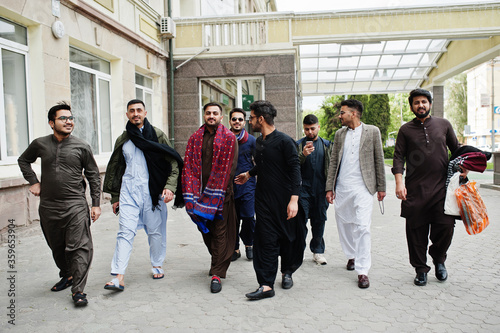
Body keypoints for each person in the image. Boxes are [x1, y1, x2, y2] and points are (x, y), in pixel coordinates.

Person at [18, 102, 101, 307]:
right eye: (63, 118)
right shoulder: (40, 144)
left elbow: (93, 176)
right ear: (51, 122)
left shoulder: (81, 146)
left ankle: (79, 290)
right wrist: (34, 182)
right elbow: (23, 160)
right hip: (48, 206)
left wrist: (96, 204)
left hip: (75, 205)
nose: (68, 121)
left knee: (79, 247)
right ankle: (67, 275)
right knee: (57, 246)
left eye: (71, 118)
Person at [103, 99, 182, 291]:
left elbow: (173, 161)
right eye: (132, 111)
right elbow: (117, 169)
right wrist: (115, 197)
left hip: (152, 192)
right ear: (127, 115)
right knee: (124, 232)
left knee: (155, 232)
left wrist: (170, 187)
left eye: (139, 110)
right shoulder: (123, 139)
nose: (135, 113)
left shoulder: (156, 134)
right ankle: (118, 276)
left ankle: (157, 263)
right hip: (128, 192)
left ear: (145, 113)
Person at [392, 88, 466, 286]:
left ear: (430, 104)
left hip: (442, 189)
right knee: (415, 231)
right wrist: (399, 182)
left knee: (446, 226)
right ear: (411, 106)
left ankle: (439, 258)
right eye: (416, 102)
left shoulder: (443, 125)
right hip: (414, 190)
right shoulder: (405, 130)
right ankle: (420, 269)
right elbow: (398, 157)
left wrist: (464, 168)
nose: (420, 105)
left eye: (424, 101)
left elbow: (457, 150)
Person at [236, 100, 305, 300]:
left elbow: (295, 170)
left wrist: (294, 200)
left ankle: (287, 272)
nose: (250, 121)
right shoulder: (259, 142)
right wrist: (249, 174)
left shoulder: (285, 141)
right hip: (263, 200)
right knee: (265, 241)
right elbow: (265, 165)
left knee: (289, 239)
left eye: (252, 117)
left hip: (284, 200)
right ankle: (266, 284)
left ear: (261, 119)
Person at [325, 99, 386, 289]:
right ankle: (351, 255)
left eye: (342, 112)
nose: (339, 116)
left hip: (364, 187)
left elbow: (379, 158)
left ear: (354, 113)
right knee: (344, 223)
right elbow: (333, 161)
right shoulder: (339, 134)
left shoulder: (372, 131)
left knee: (362, 226)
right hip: (343, 186)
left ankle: (362, 270)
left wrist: (382, 186)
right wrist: (329, 187)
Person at [182, 102, 238, 293]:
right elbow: (188, 165)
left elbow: (231, 168)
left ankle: (217, 273)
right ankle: (217, 259)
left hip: (221, 194)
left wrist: (219, 191)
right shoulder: (195, 138)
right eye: (208, 113)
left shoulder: (229, 138)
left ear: (221, 117)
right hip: (198, 196)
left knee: (220, 232)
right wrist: (190, 192)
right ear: (204, 115)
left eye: (215, 113)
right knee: (207, 231)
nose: (211, 116)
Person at [296, 114, 331, 265]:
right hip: (303, 189)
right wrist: (303, 154)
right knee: (300, 221)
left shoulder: (327, 145)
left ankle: (318, 251)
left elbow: (333, 167)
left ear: (318, 127)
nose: (309, 132)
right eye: (306, 129)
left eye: (312, 128)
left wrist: (331, 189)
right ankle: (298, 251)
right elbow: (292, 165)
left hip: (321, 189)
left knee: (319, 221)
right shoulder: (297, 145)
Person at [229, 108, 256, 261]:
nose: (237, 122)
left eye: (240, 119)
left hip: (248, 185)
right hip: (230, 186)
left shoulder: (251, 140)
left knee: (248, 217)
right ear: (230, 121)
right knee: (233, 219)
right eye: (234, 119)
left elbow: (258, 162)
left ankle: (249, 244)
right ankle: (235, 248)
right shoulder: (225, 138)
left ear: (244, 122)